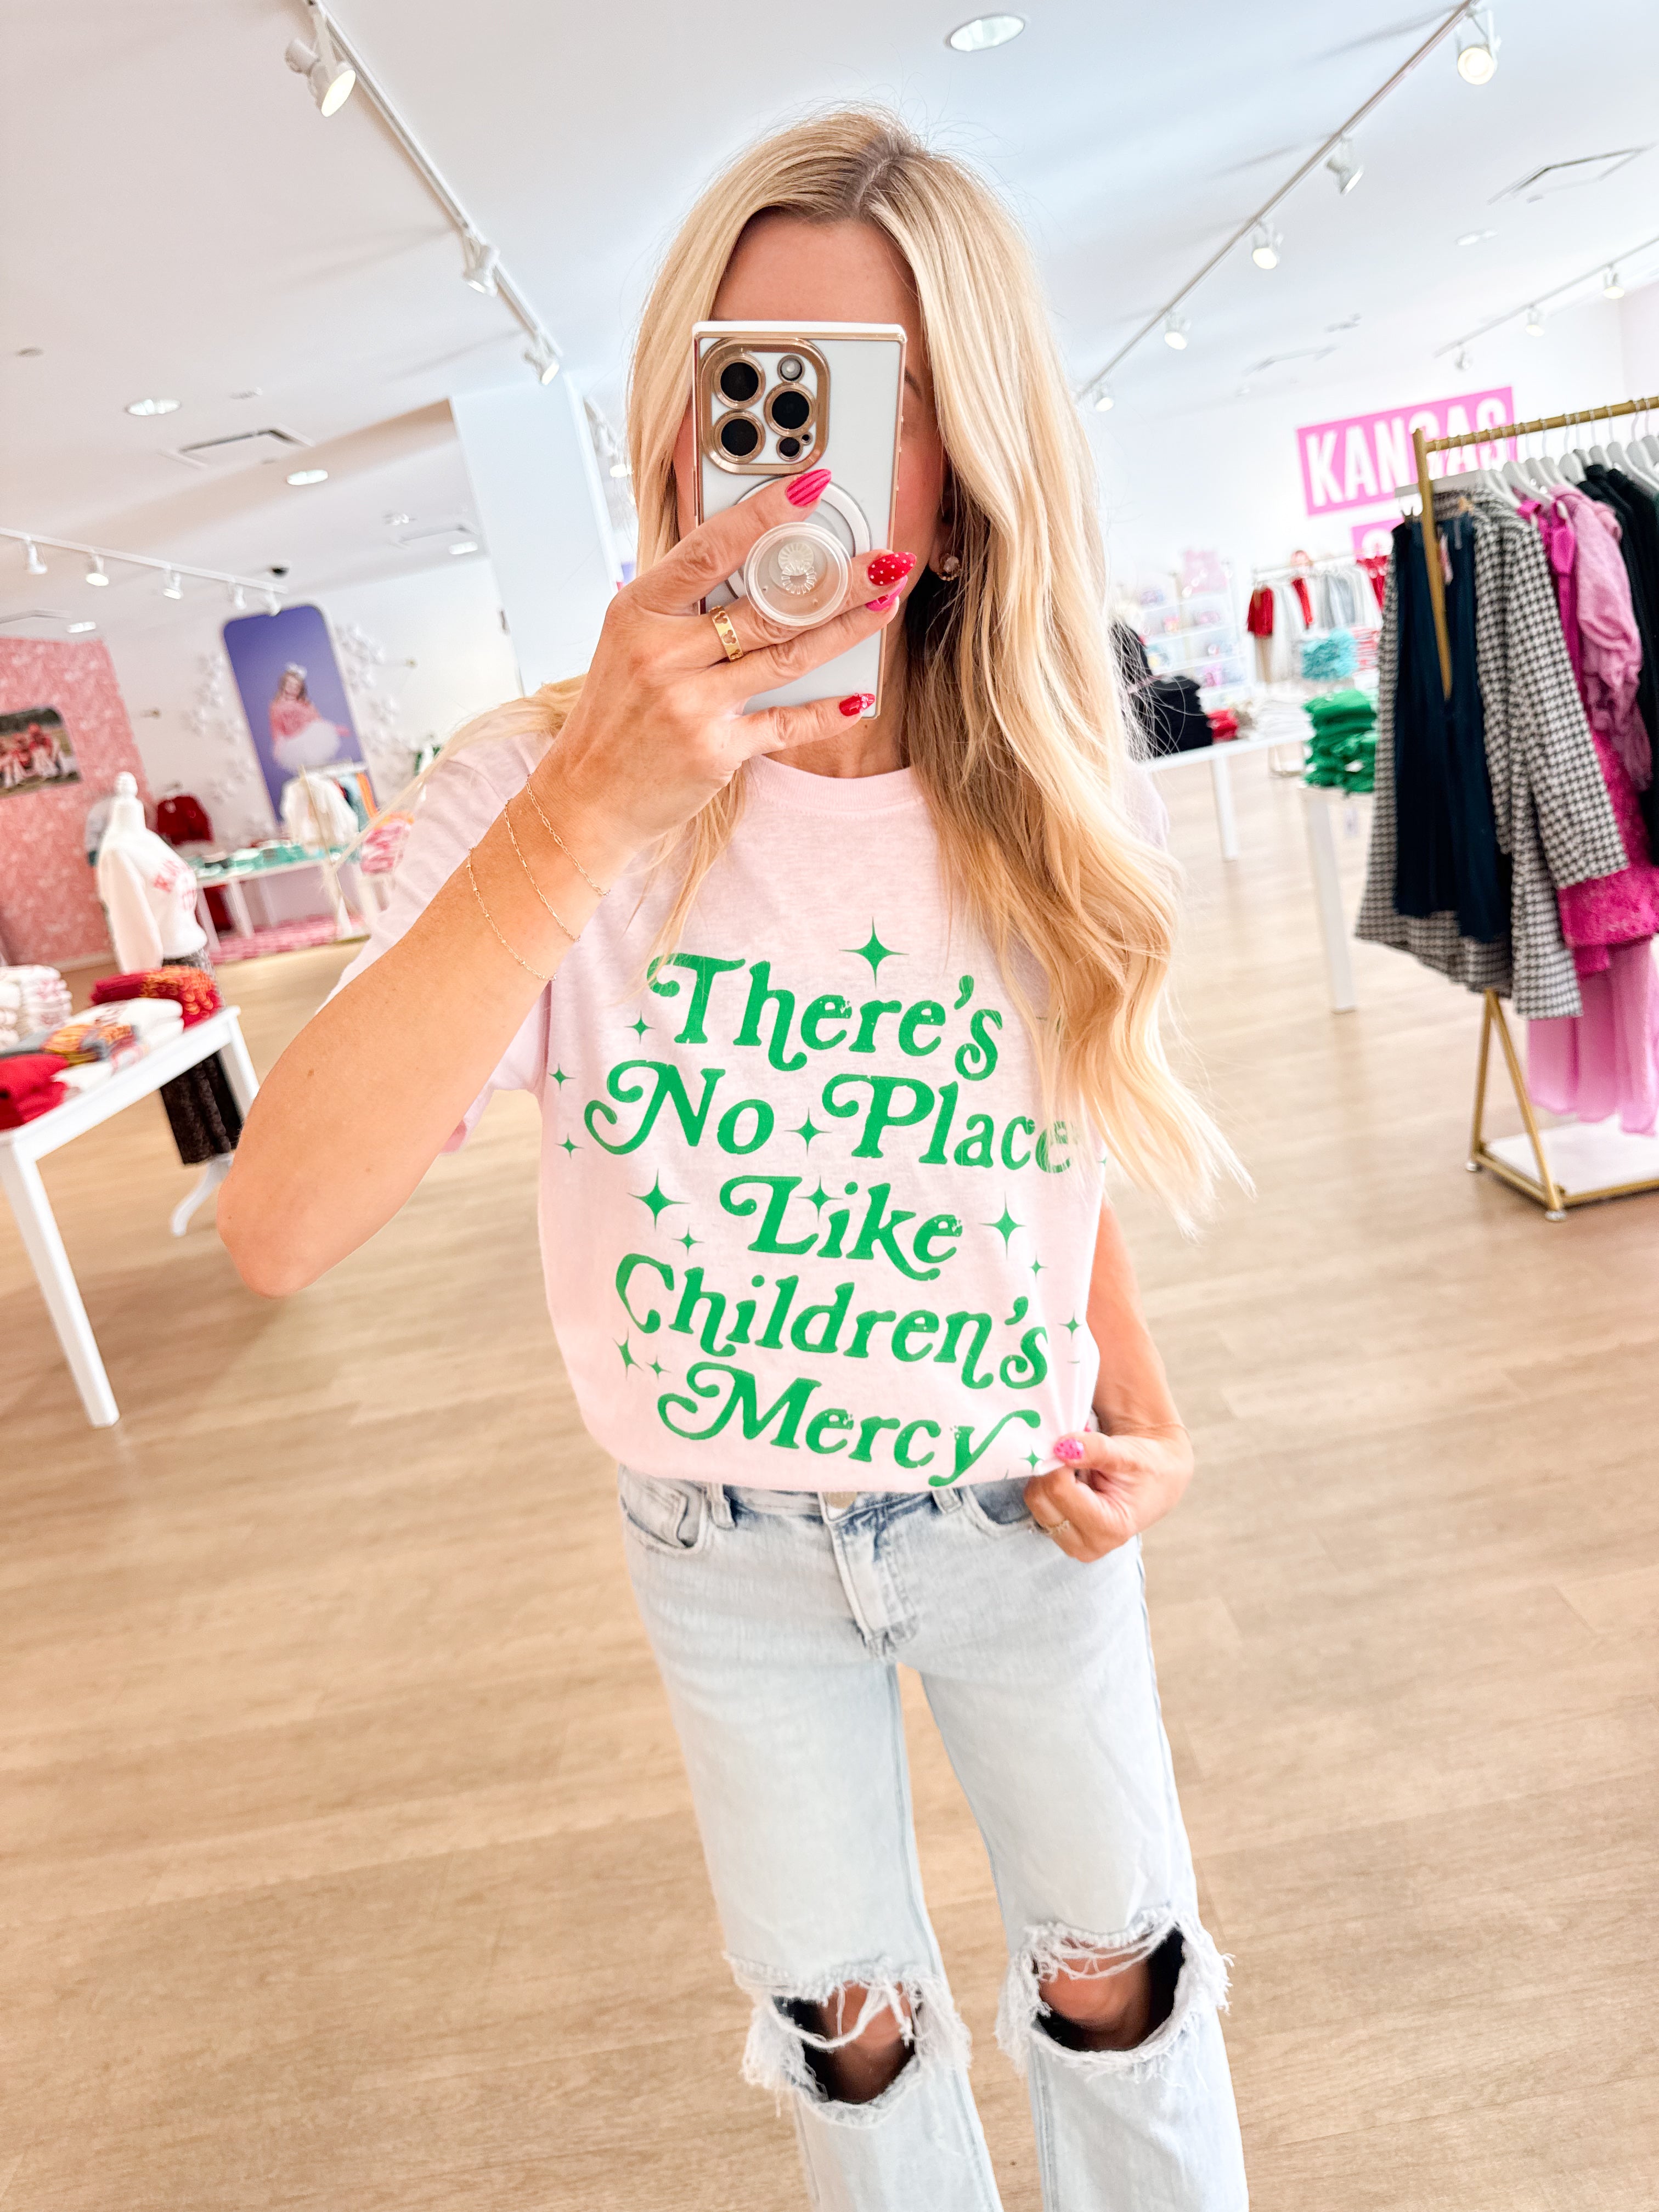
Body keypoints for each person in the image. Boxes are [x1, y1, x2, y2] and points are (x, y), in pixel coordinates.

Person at [220, 110, 1248, 2211]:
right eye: (748, 382)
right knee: (843, 2033)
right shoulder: (527, 793)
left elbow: (1026, 1133)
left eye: (873, 397)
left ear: (964, 468)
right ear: (676, 419)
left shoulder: (1038, 776)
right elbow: (279, 1223)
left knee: (1116, 1977)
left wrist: (1136, 1394)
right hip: (718, 1546)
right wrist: (587, 807)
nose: (794, 460)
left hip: (1017, 1506)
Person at [268, 664, 346, 775]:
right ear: (283, 685)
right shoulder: (276, 707)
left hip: (310, 736)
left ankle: (324, 776)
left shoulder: (304, 704)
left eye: (296, 686)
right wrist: (278, 744)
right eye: (290, 684)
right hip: (294, 741)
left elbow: (317, 719)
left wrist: (333, 729)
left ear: (301, 689)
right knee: (306, 770)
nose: (292, 688)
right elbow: (277, 727)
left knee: (318, 763)